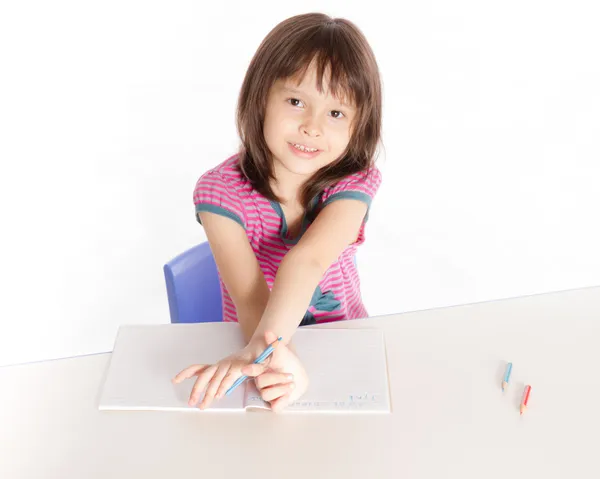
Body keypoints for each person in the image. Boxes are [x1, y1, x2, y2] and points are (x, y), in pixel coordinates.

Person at [172, 12, 384, 412]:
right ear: (260, 99)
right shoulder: (220, 194)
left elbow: (308, 260)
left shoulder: (354, 182)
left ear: (358, 126)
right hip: (257, 341)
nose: (312, 126)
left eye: (336, 113)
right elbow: (252, 299)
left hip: (345, 344)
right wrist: (275, 362)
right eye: (295, 101)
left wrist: (276, 361)